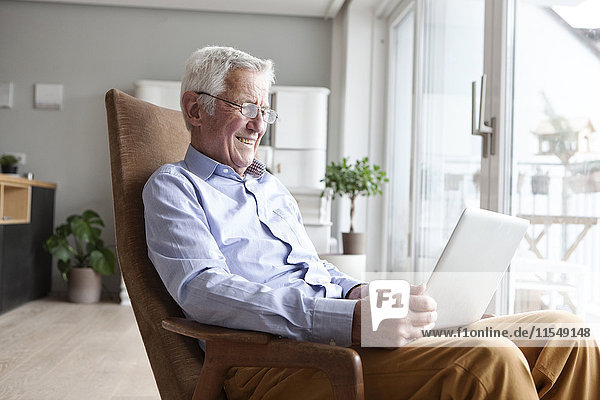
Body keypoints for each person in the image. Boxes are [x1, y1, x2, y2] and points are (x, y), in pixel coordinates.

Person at [143, 46, 599, 399]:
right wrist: (345, 321)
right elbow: (202, 290)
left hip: (348, 332)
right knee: (490, 360)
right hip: (277, 360)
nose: (259, 125)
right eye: (245, 107)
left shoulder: (270, 188)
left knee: (565, 336)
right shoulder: (174, 187)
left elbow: (314, 269)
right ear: (194, 109)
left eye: (266, 110)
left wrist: (366, 295)